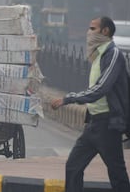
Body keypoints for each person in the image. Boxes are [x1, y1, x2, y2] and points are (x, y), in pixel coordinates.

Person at [51, 16, 130, 192]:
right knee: (73, 166)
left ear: (105, 31)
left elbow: (101, 88)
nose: (89, 32)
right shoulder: (98, 54)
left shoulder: (113, 54)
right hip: (93, 123)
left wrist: (68, 98)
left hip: (108, 124)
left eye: (92, 28)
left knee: (117, 174)